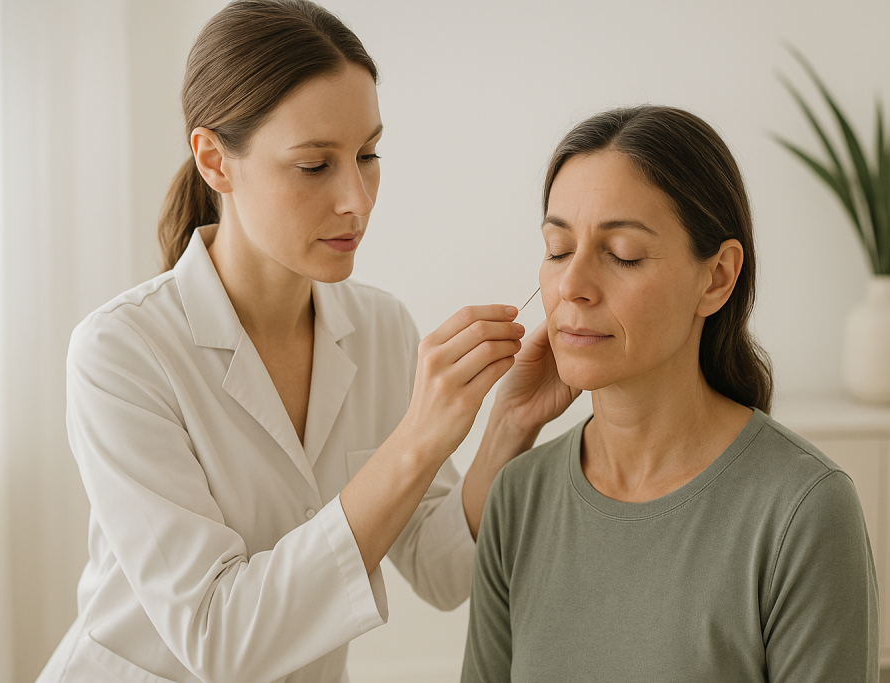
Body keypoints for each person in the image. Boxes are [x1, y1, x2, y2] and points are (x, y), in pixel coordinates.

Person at [37, 2, 577, 681]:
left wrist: (506, 423)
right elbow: (220, 639)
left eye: (368, 154)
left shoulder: (380, 329)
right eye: (315, 165)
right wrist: (416, 438)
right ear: (214, 161)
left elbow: (444, 571)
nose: (358, 198)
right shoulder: (120, 353)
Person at [461, 105, 880, 682]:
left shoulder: (803, 510)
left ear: (717, 278)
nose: (572, 286)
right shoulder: (517, 498)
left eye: (623, 254)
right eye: (558, 250)